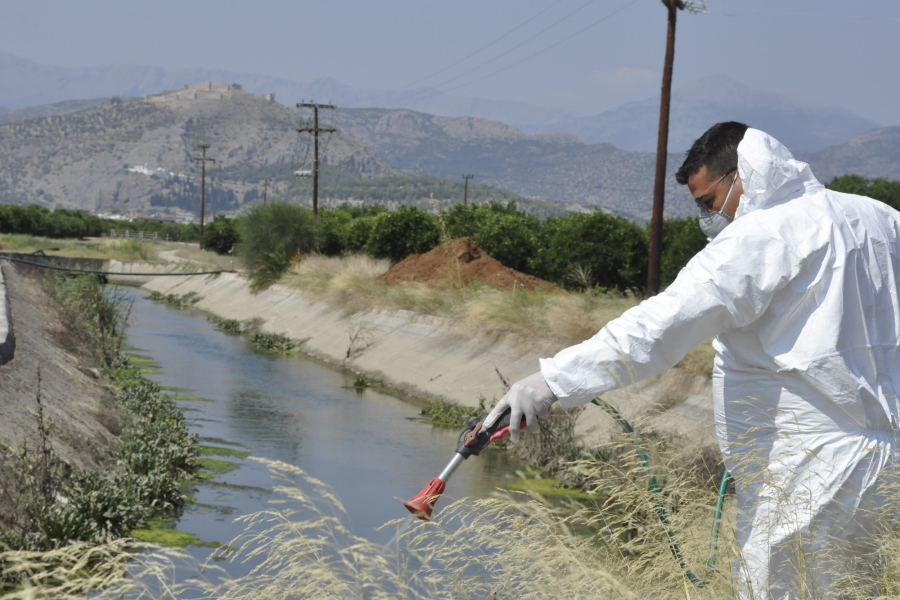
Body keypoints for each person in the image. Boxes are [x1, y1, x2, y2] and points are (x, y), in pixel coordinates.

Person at [484, 122, 900, 598]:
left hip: (809, 471)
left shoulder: (764, 234)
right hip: (886, 467)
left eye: (708, 202)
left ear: (743, 175)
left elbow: (660, 325)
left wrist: (551, 381)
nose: (708, 219)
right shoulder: (881, 219)